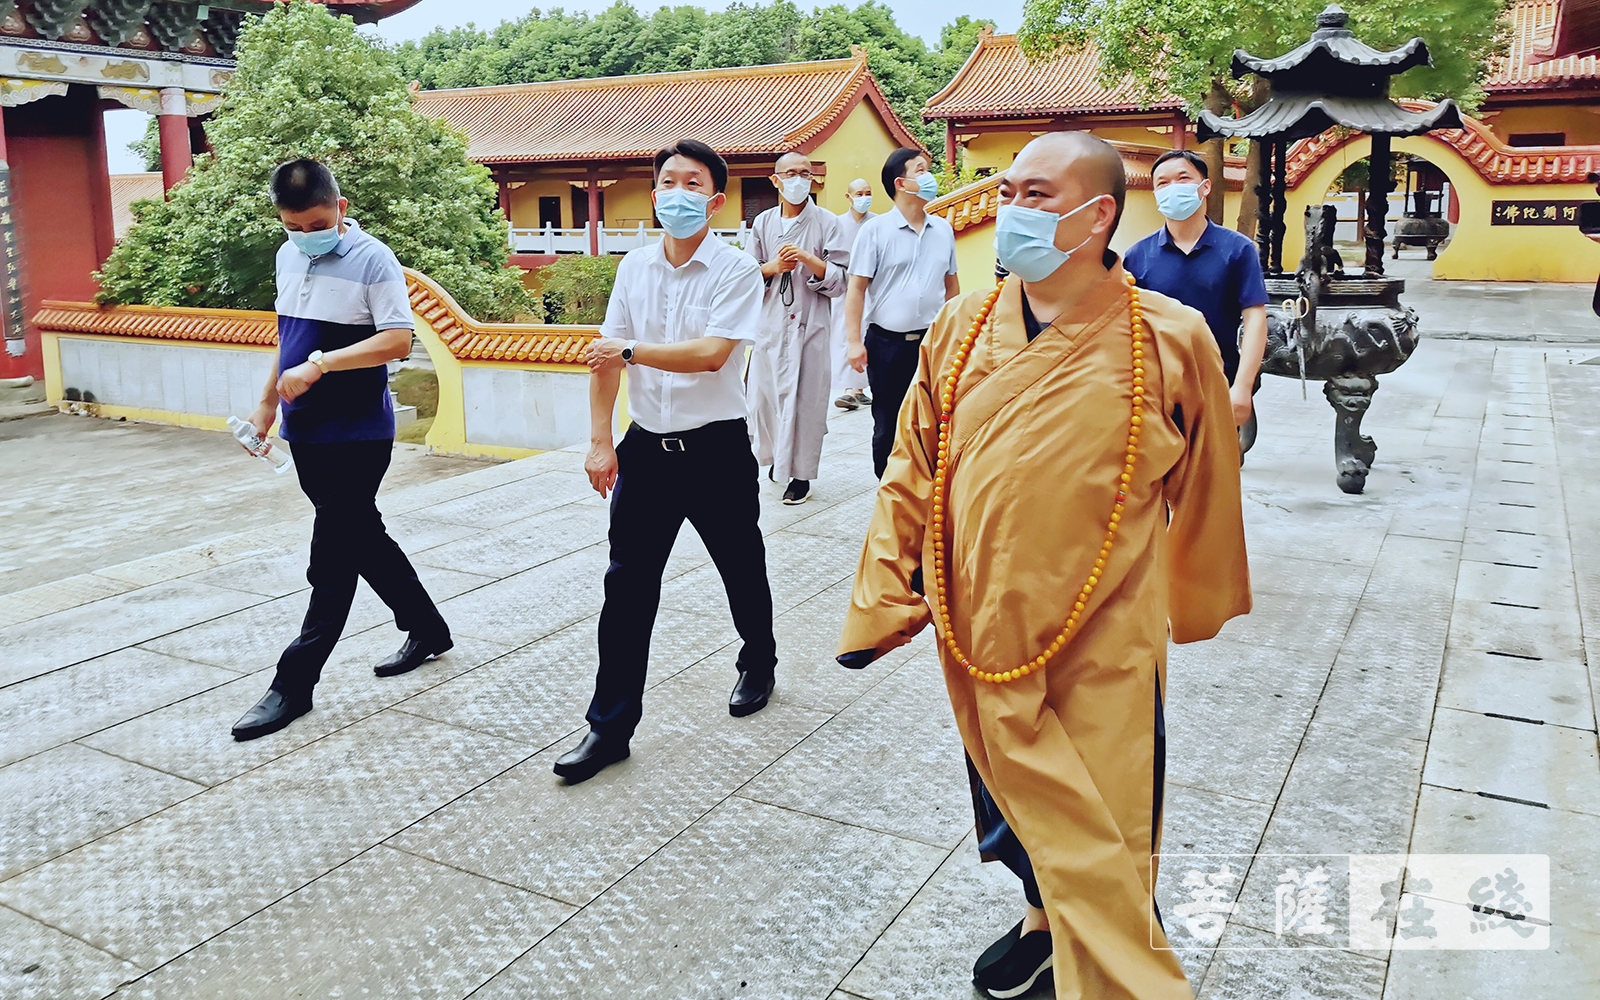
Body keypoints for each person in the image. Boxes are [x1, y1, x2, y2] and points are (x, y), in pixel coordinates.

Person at [836, 132, 1251, 1000]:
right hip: (981, 620)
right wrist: (883, 590)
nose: (1010, 207)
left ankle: (1114, 956)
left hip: (1103, 625)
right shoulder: (961, 326)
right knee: (1009, 796)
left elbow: (1209, 482)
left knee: (1101, 805)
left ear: (1097, 215)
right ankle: (1041, 917)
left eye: (1035, 193)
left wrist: (1199, 594)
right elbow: (913, 463)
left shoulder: (1170, 340)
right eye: (1008, 190)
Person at [556, 139, 778, 785]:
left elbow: (712, 354)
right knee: (625, 587)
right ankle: (609, 728)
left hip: (715, 446)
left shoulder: (736, 270)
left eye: (693, 183)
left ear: (714, 199)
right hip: (647, 448)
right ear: (654, 196)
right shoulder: (635, 268)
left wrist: (627, 352)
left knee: (741, 562)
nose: (678, 193)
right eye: (668, 182)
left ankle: (757, 658)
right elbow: (605, 358)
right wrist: (601, 440)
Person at [231, 159, 452, 743]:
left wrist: (322, 364)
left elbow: (398, 339)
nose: (307, 236)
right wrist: (266, 407)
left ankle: (293, 683)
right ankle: (428, 629)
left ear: (341, 209)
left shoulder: (372, 258)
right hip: (306, 430)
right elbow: (288, 337)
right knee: (362, 538)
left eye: (317, 223)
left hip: (358, 432)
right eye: (294, 226)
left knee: (330, 559)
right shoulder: (287, 257)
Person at [1124, 149, 1269, 455]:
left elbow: (1255, 318)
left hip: (1217, 384)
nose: (1172, 187)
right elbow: (1126, 324)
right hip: (1154, 389)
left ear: (1205, 187)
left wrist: (1243, 386)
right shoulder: (1137, 256)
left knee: (1211, 488)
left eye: (1183, 178)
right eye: (1162, 183)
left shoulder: (1238, 250)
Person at [842, 147, 960, 477]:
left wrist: (953, 334)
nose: (929, 177)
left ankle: (930, 493)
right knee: (888, 422)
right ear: (901, 183)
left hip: (933, 343)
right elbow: (856, 289)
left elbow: (952, 287)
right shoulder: (875, 232)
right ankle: (890, 493)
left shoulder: (944, 230)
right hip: (886, 344)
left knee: (935, 419)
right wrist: (854, 342)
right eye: (920, 171)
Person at [746, 151, 850, 505]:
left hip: (811, 326)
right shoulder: (762, 223)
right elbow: (746, 275)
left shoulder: (827, 222)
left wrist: (809, 259)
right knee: (765, 400)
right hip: (771, 326)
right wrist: (773, 266)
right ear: (775, 180)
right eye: (790, 173)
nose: (798, 179)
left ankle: (801, 475)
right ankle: (774, 461)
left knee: (807, 401)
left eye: (805, 173)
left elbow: (842, 280)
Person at [832, 178, 875, 412]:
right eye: (859, 193)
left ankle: (858, 389)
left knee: (868, 334)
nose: (864, 197)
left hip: (873, 289)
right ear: (848, 197)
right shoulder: (836, 225)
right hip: (844, 289)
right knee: (846, 335)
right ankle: (851, 389)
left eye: (868, 193)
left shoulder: (878, 224)